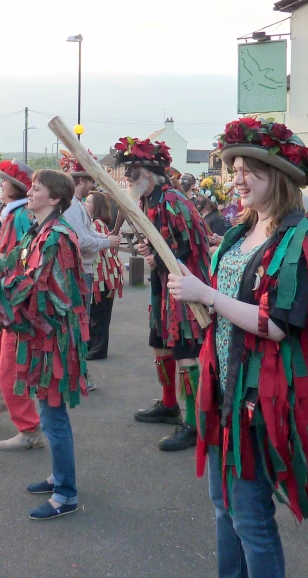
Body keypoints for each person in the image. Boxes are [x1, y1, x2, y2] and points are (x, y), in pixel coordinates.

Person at [168, 117, 308, 577]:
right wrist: (194, 290)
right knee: (223, 507)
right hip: (224, 389)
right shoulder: (240, 231)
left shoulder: (301, 236)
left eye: (253, 170)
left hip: (260, 401)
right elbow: (225, 307)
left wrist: (206, 294)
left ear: (280, 179)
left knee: (250, 518)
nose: (238, 179)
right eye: (235, 168)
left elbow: (279, 324)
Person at [0, 169, 88, 519]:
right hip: (43, 334)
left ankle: (66, 495)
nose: (30, 191)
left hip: (52, 337)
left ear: (54, 198)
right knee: (49, 412)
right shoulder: (40, 230)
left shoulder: (57, 235)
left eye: (37, 188)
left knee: (54, 416)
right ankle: (60, 477)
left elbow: (34, 287)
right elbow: (20, 269)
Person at [114, 136, 210, 451]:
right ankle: (170, 405)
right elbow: (158, 242)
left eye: (134, 170)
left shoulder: (173, 200)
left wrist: (162, 255)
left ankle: (195, 424)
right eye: (127, 171)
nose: (128, 177)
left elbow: (193, 245)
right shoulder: (146, 201)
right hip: (161, 283)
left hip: (185, 284)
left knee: (185, 351)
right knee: (160, 344)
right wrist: (148, 249)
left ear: (153, 172)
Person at [0, 159, 42, 450]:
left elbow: (16, 261)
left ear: (14, 188)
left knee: (9, 370)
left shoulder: (20, 218)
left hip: (13, 304)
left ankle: (30, 431)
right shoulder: (7, 215)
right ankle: (5, 394)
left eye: (3, 181)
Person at [61, 151, 121, 391]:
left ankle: (76, 374)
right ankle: (75, 376)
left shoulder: (76, 206)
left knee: (79, 324)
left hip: (82, 271)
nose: (93, 185)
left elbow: (87, 234)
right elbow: (82, 241)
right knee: (77, 325)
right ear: (81, 180)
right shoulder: (73, 208)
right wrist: (108, 242)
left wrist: (106, 237)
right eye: (90, 180)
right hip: (77, 273)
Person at [84, 191, 124, 360]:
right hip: (103, 275)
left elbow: (98, 252)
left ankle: (97, 349)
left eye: (89, 202)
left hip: (102, 274)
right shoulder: (94, 224)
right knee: (97, 314)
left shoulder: (96, 225)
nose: (85, 204)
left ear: (97, 206)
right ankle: (94, 348)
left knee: (98, 315)